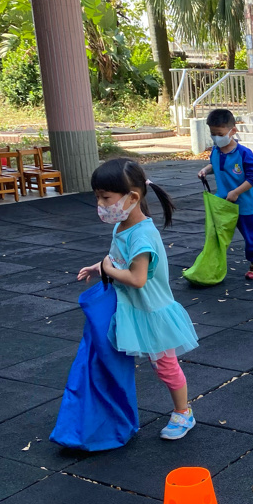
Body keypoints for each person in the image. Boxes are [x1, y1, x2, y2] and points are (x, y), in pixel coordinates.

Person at [78, 159, 200, 440]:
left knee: (165, 366)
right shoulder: (122, 225)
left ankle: (183, 412)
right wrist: (100, 267)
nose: (100, 204)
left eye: (105, 197)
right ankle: (109, 410)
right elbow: (118, 259)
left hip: (151, 311)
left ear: (132, 198)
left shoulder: (142, 236)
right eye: (98, 197)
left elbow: (137, 278)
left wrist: (107, 269)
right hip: (132, 308)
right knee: (114, 359)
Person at [198, 108, 253, 279]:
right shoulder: (216, 151)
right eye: (213, 134)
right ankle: (213, 263)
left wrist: (236, 192)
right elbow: (216, 165)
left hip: (244, 205)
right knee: (216, 234)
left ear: (233, 131)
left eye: (220, 134)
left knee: (250, 235)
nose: (216, 138)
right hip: (222, 203)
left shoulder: (243, 153)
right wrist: (206, 170)